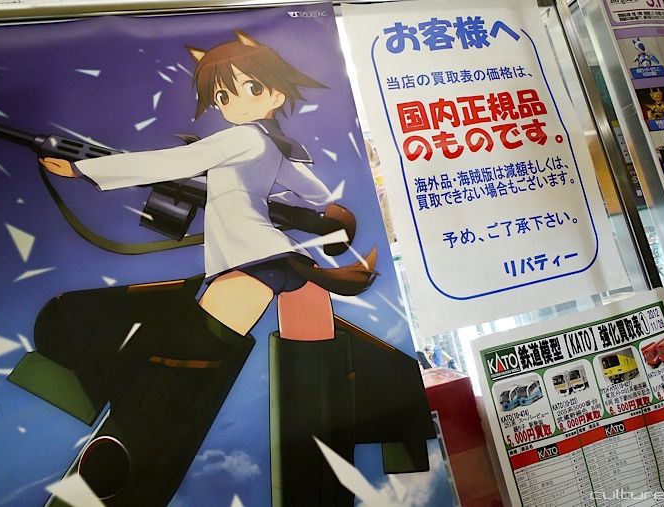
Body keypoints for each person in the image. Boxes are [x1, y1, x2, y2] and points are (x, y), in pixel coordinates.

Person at [34, 30, 431, 505]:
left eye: (248, 88)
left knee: (186, 362)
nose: (230, 103)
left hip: (250, 255)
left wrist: (85, 170)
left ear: (275, 93)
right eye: (222, 96)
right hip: (272, 255)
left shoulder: (241, 138)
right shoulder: (272, 145)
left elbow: (178, 161)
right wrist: (317, 214)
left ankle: (121, 472)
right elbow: (316, 195)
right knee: (261, 354)